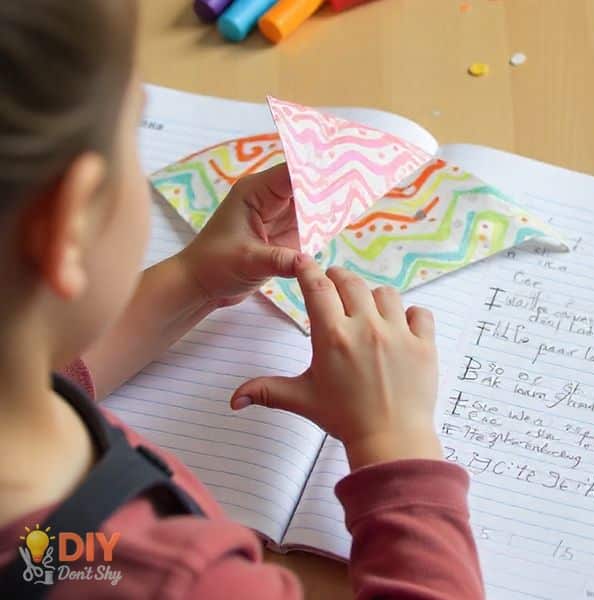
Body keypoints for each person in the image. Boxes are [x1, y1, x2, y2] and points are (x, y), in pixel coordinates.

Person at [0, 1, 483, 598]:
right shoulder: (183, 581)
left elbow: (34, 371)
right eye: (133, 137)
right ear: (66, 226)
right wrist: (396, 443)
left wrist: (192, 283)